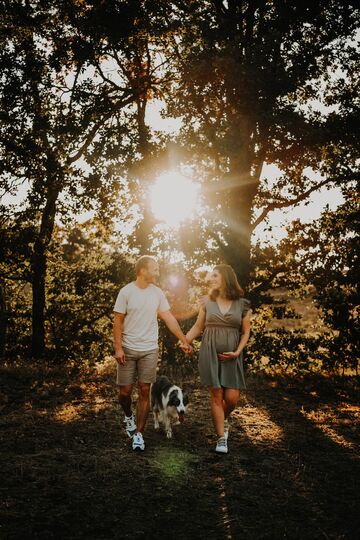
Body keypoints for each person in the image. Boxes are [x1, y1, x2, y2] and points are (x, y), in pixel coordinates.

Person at [113, 255, 192, 451]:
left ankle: (138, 434)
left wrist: (183, 340)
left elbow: (169, 318)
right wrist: (118, 348)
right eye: (154, 269)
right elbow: (117, 322)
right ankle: (128, 416)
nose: (158, 272)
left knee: (145, 392)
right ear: (142, 270)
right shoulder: (126, 292)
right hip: (128, 348)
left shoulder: (157, 293)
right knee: (124, 393)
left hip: (149, 349)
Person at [185, 264, 251, 454]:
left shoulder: (243, 304)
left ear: (226, 278)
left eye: (215, 275)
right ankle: (221, 438)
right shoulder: (207, 302)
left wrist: (238, 352)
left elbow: (246, 332)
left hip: (232, 356)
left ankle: (222, 419)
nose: (210, 279)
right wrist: (185, 340)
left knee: (231, 400)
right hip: (209, 352)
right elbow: (198, 326)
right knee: (216, 395)